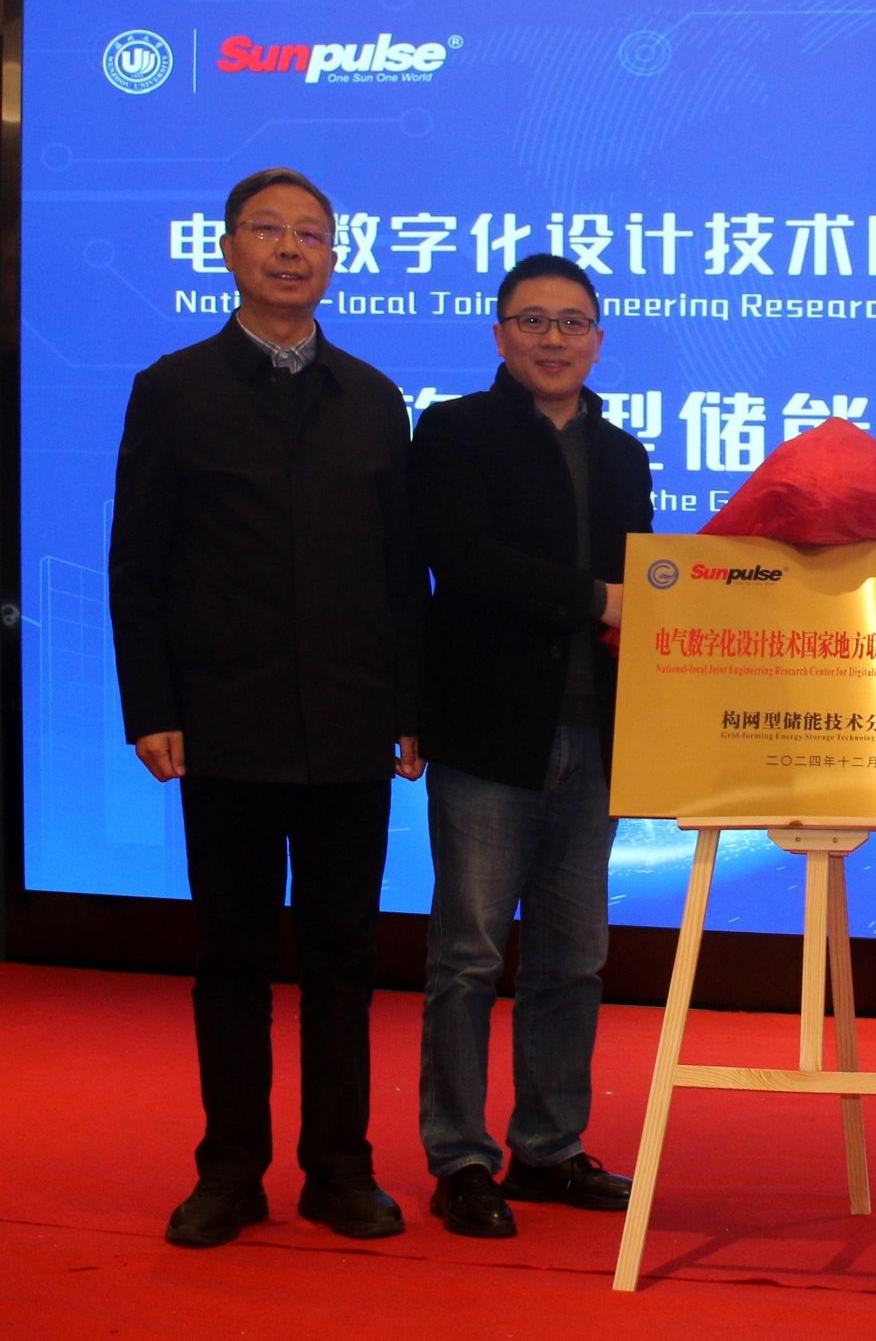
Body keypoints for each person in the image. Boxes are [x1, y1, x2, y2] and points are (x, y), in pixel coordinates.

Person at [108, 166, 424, 1248]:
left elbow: (403, 572)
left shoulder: (372, 398)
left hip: (349, 725)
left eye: (311, 235)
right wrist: (150, 704)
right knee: (233, 959)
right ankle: (230, 1172)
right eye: (269, 231)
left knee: (344, 960)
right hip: (225, 722)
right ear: (229, 250)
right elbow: (138, 565)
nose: (292, 250)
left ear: (334, 258)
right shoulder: (174, 388)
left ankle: (339, 1170)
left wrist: (409, 705)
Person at [411, 253, 652, 1236]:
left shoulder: (623, 452)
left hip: (598, 737)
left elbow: (648, 592)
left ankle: (548, 1147)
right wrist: (595, 598)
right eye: (533, 320)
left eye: (573, 322)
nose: (554, 339)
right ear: (500, 334)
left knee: (573, 957)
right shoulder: (455, 431)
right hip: (488, 733)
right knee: (467, 956)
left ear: (597, 338)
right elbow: (461, 560)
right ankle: (461, 1156)